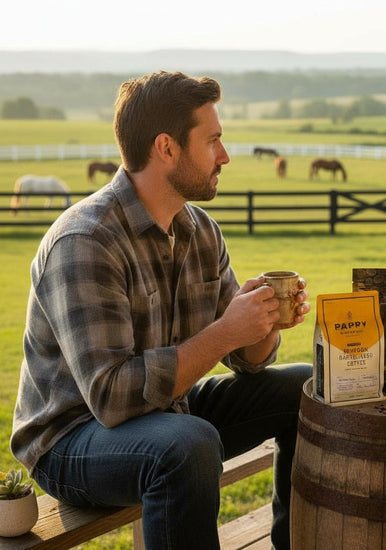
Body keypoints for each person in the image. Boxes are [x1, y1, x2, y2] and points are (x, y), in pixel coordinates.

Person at [11, 71, 312, 550]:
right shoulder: (85, 241)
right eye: (212, 140)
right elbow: (111, 399)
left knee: (307, 389)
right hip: (72, 439)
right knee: (185, 445)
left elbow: (249, 361)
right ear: (167, 148)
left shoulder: (201, 231)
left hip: (170, 410)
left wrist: (263, 323)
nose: (225, 155)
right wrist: (224, 333)